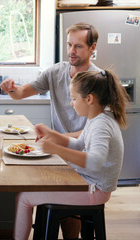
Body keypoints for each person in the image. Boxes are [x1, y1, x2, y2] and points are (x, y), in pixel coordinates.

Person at [13, 69, 130, 240]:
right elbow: (78, 144)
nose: (71, 103)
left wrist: (56, 149)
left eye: (74, 99)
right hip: (90, 183)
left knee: (24, 198)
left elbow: (95, 161)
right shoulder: (97, 118)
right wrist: (52, 134)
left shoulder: (101, 125)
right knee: (33, 186)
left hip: (95, 190)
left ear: (89, 99)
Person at [0, 22, 100, 138]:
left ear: (92, 47)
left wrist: (59, 138)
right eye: (69, 45)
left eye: (78, 46)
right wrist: (12, 89)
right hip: (58, 147)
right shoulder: (56, 72)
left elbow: (96, 131)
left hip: (84, 152)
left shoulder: (100, 81)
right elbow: (20, 93)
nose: (71, 51)